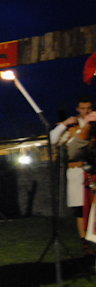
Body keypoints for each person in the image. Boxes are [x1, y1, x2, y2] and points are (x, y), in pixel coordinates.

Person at [50, 95, 94, 255]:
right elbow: (52, 140)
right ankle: (85, 245)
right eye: (82, 108)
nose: (86, 111)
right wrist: (64, 124)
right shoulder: (72, 126)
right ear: (77, 109)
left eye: (88, 108)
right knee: (81, 209)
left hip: (94, 170)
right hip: (77, 171)